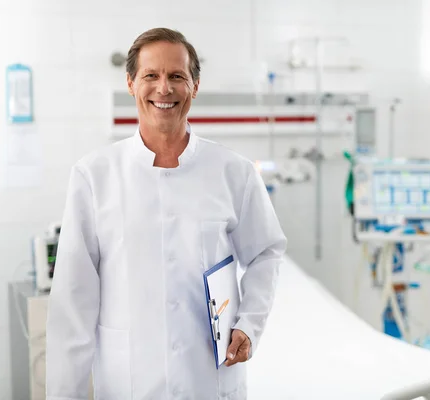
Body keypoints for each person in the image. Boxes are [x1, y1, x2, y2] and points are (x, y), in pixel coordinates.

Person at [45, 27, 287, 400]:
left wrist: (249, 323)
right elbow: (72, 305)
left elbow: (266, 252)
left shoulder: (232, 172)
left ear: (195, 85)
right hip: (129, 382)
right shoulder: (94, 176)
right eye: (151, 76)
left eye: (177, 76)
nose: (164, 89)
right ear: (130, 83)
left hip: (210, 380)